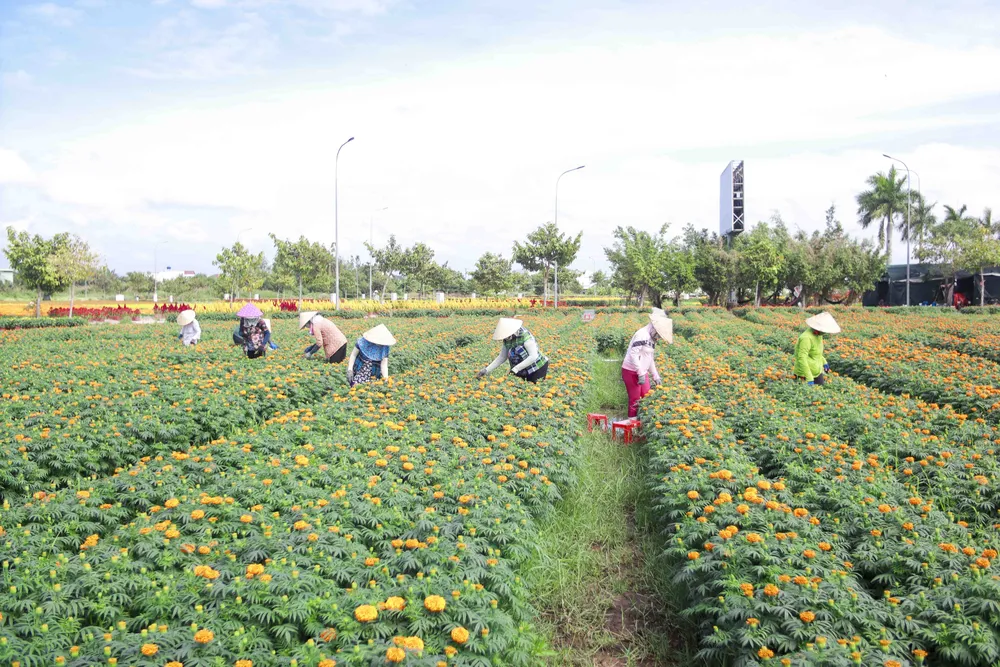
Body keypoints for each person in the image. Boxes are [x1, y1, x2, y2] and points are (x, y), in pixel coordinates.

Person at [621, 311, 673, 418]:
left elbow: (649, 359)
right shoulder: (642, 334)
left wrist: (656, 376)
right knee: (635, 400)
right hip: (630, 371)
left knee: (647, 397)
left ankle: (642, 424)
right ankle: (632, 428)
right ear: (654, 327)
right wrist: (640, 373)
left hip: (642, 372)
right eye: (658, 334)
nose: (658, 337)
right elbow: (633, 355)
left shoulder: (652, 339)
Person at [477, 317, 550, 383]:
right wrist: (486, 370)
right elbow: (502, 357)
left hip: (537, 367)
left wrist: (516, 369)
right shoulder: (507, 339)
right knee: (519, 389)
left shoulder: (525, 336)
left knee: (533, 390)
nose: (505, 338)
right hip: (521, 369)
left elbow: (533, 356)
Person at [794, 312, 840, 386]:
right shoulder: (806, 338)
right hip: (804, 374)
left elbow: (816, 352)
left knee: (819, 393)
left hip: (817, 371)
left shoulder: (818, 335)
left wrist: (824, 362)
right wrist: (809, 377)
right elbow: (801, 358)